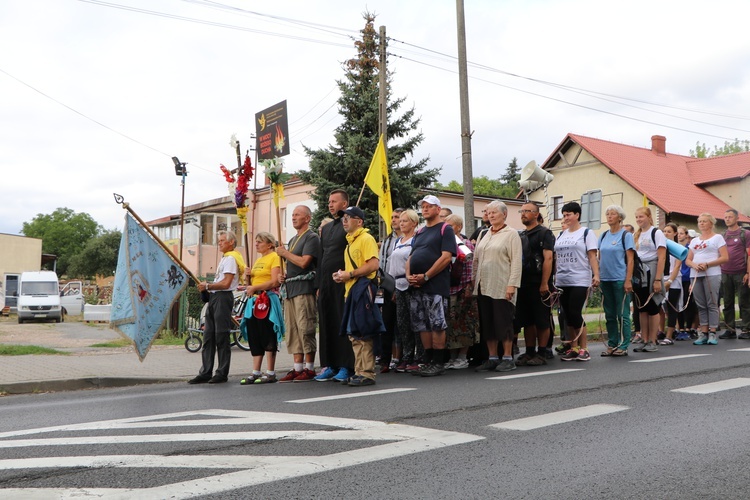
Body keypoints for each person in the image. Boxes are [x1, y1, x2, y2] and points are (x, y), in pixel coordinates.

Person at [406, 195, 457, 376]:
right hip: (416, 286)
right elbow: (412, 256)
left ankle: (438, 361)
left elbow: (446, 257)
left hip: (434, 285)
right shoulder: (419, 232)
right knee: (422, 324)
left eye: (429, 206)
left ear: (438, 209)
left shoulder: (445, 229)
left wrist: (426, 276)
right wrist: (408, 276)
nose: (425, 209)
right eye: (423, 206)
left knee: (436, 323)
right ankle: (427, 360)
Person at [333, 206, 384, 386]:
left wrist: (351, 274)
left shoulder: (366, 238)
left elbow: (373, 265)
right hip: (352, 292)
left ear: (359, 221)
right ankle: (359, 371)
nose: (344, 220)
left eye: (349, 217)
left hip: (362, 291)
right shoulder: (350, 242)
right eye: (343, 218)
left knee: (363, 332)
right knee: (354, 334)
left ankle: (367, 373)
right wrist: (342, 276)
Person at [472, 200, 523, 372]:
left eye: (494, 212)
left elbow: (516, 261)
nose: (491, 215)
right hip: (483, 284)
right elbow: (476, 260)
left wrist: (512, 285)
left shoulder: (511, 234)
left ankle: (508, 357)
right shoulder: (484, 234)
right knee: (487, 322)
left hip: (502, 284)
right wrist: (473, 283)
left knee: (503, 321)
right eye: (488, 212)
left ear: (504, 214)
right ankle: (492, 357)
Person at [189, 230, 245, 384]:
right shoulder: (225, 258)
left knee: (221, 335)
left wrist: (208, 285)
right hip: (214, 297)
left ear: (231, 242)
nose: (219, 243)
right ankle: (206, 371)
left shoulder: (231, 259)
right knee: (208, 336)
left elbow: (226, 283)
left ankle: (221, 372)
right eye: (218, 240)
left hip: (222, 296)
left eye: (222, 240)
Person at [275, 206, 321, 383]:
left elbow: (304, 262)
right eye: (292, 215)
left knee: (305, 327)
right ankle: (297, 367)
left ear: (307, 218)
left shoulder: (311, 238)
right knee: (293, 329)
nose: (293, 218)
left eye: (297, 215)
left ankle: (309, 368)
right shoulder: (293, 239)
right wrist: (283, 275)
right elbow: (293, 266)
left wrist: (285, 253)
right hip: (291, 289)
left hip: (304, 289)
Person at [315, 189, 356, 382]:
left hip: (343, 282)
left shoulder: (349, 225)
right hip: (326, 284)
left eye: (334, 201)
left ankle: (346, 365)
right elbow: (322, 257)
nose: (330, 204)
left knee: (342, 322)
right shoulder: (329, 227)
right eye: (329, 201)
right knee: (326, 323)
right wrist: (318, 284)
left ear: (345, 204)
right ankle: (330, 364)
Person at [553, 201, 599, 362]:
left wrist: (596, 275)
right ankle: (573, 347)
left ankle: (584, 348)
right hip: (562, 279)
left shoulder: (586, 233)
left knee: (575, 312)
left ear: (577, 215)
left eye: (568, 215)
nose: (566, 218)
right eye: (564, 215)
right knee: (567, 315)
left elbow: (592, 255)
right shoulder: (561, 235)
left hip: (579, 278)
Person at [514, 203, 556, 366]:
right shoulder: (521, 234)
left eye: (527, 211)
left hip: (539, 282)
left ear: (536, 214)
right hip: (523, 283)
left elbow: (548, 258)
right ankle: (529, 351)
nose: (523, 214)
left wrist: (545, 282)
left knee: (541, 319)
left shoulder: (545, 233)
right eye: (522, 211)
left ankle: (542, 351)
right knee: (527, 320)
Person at [239, 232, 282, 384]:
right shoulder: (258, 260)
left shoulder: (274, 257)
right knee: (254, 334)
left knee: (267, 333)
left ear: (269, 244)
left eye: (260, 242)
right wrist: (247, 276)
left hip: (267, 299)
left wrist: (255, 286)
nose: (256, 244)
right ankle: (255, 371)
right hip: (255, 300)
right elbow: (249, 285)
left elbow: (274, 282)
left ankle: (270, 371)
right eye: (256, 242)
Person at [388, 209, 423, 372]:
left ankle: (419, 356)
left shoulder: (416, 240)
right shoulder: (398, 241)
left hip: (412, 284)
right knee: (402, 323)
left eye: (405, 221)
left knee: (416, 321)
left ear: (414, 223)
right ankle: (407, 355)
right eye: (400, 221)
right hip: (398, 285)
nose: (401, 223)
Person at [686, 213, 729, 345]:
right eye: (700, 221)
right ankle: (703, 332)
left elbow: (725, 257)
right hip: (696, 274)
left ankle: (712, 332)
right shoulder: (694, 241)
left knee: (712, 303)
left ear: (711, 223)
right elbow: (688, 259)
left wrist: (707, 264)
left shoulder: (717, 238)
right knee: (700, 304)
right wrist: (694, 265)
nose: (702, 224)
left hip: (712, 274)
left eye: (705, 221)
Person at [598, 205, 634, 356]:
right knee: (609, 314)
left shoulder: (626, 235)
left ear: (620, 217)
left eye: (612, 214)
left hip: (620, 279)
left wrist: (628, 280)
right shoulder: (603, 235)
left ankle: (624, 344)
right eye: (607, 214)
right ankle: (612, 343)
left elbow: (630, 260)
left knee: (623, 313)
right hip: (605, 279)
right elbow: (599, 257)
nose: (609, 216)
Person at [444, 214, 479, 369]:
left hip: (463, 289)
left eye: (450, 226)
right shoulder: (445, 244)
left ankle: (462, 357)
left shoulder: (465, 244)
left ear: (458, 227)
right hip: (448, 289)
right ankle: (452, 357)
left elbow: (471, 269)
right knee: (450, 325)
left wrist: (470, 288)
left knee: (464, 323)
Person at [631, 207, 667, 353]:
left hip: (652, 271)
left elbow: (662, 256)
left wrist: (658, 279)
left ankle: (653, 339)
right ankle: (645, 339)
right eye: (637, 217)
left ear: (649, 217)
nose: (639, 220)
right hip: (640, 273)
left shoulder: (656, 232)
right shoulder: (636, 234)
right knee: (642, 308)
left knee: (652, 307)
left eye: (641, 217)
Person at [377, 208, 404, 372]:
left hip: (401, 286)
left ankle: (400, 357)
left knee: (401, 325)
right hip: (386, 287)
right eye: (392, 217)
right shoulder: (387, 241)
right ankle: (385, 359)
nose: (394, 220)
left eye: (397, 217)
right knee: (386, 324)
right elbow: (381, 264)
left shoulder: (408, 239)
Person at [718, 209, 750, 339]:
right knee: (727, 301)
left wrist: (748, 272)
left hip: (741, 272)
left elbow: (749, 254)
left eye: (730, 217)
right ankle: (730, 329)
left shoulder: (745, 234)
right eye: (725, 217)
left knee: (744, 301)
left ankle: (746, 329)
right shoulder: (722, 235)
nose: (727, 219)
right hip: (725, 273)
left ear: (737, 218)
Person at [659, 223, 683, 346]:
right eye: (664, 231)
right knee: (659, 308)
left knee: (671, 307)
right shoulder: (661, 247)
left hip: (674, 281)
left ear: (675, 234)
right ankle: (659, 331)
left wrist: (670, 281)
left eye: (668, 231)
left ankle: (669, 335)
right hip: (661, 279)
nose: (665, 233)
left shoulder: (678, 248)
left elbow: (677, 266)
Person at [676, 225, 698, 340]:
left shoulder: (691, 248)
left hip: (688, 278)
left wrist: (692, 280)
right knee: (678, 304)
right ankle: (681, 328)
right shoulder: (675, 248)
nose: (679, 235)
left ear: (686, 235)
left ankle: (689, 328)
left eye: (681, 233)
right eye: (678, 233)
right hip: (677, 278)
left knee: (688, 303)